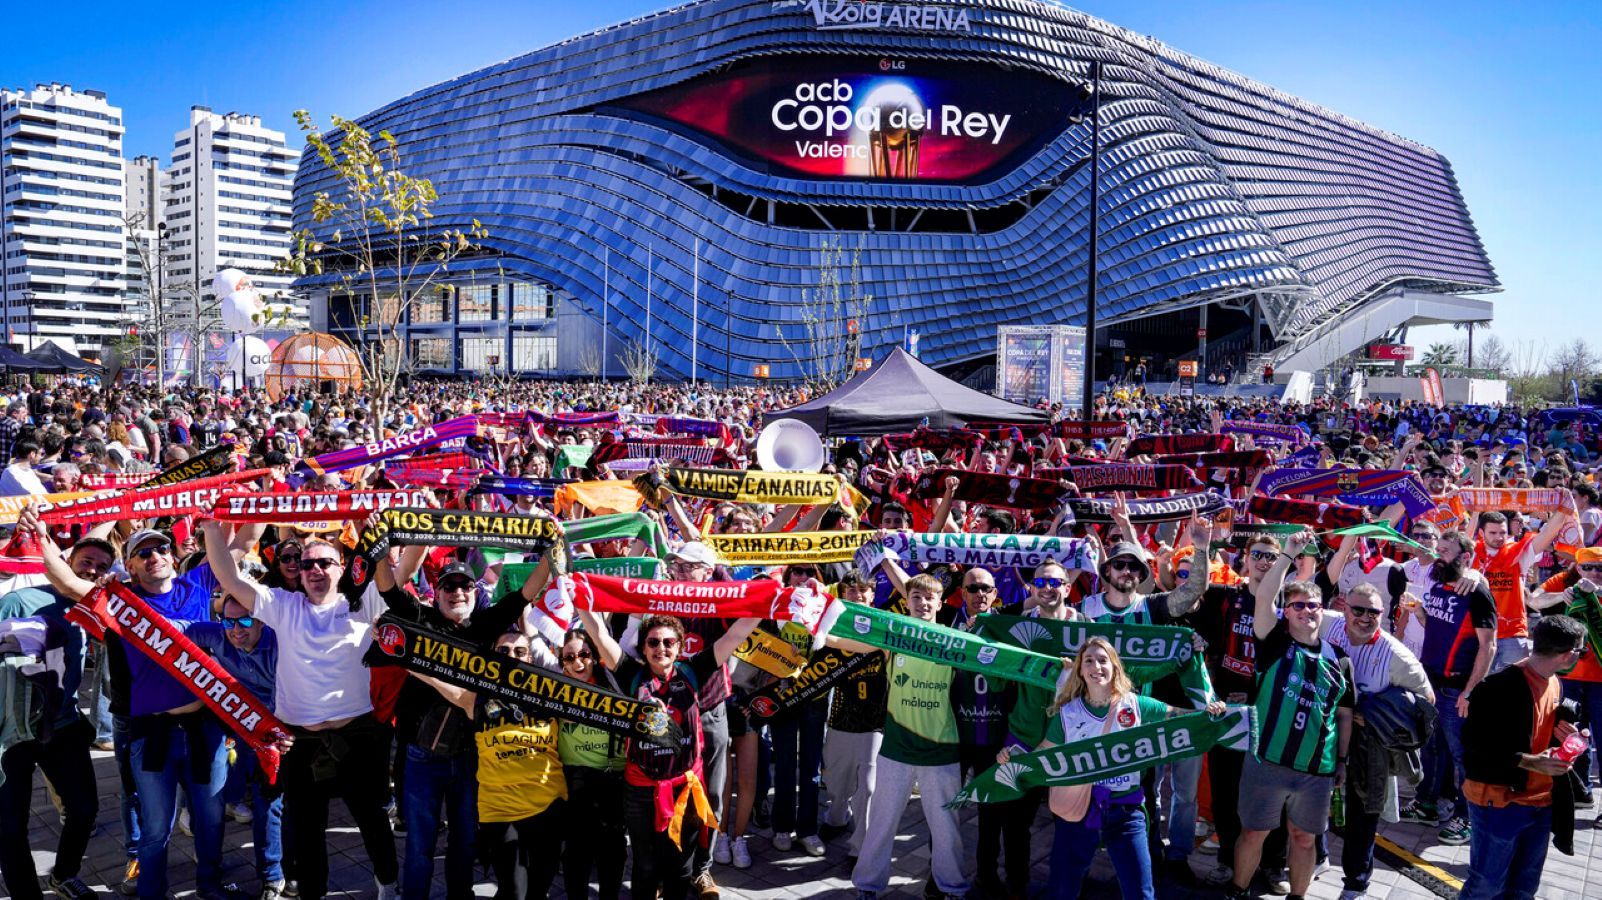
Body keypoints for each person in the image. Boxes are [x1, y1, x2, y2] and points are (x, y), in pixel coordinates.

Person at [33, 519, 231, 900]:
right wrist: (42, 537)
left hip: (205, 729)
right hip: (151, 732)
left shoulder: (200, 585)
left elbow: (239, 545)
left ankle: (210, 885)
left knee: (210, 820)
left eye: (159, 549)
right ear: (131, 567)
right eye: (142, 553)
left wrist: (214, 521)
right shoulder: (121, 603)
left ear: (173, 556)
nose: (153, 556)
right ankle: (153, 893)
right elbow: (69, 583)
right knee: (156, 827)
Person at [201, 522, 401, 900]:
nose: (315, 570)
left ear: (341, 568)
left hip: (357, 736)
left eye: (325, 563)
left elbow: (400, 574)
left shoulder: (361, 602)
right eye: (308, 565)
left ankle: (388, 885)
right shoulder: (283, 604)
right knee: (307, 829)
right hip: (302, 741)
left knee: (373, 819)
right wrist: (213, 527)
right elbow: (227, 575)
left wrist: (374, 530)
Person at [1004, 637, 1224, 900]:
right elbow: (1041, 753)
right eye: (1088, 661)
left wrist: (1210, 713)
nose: (1096, 666)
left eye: (1102, 660)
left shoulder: (1137, 705)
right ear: (1080, 670)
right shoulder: (1068, 713)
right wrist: (1012, 759)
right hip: (1078, 810)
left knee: (1141, 892)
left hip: (1126, 812)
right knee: (1062, 890)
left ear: (1115, 667)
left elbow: (1180, 717)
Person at [576, 608, 761, 900]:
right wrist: (578, 600)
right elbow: (599, 635)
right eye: (652, 642)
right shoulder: (631, 675)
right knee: (646, 866)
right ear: (643, 647)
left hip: (684, 789)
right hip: (640, 790)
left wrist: (768, 602)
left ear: (679, 646)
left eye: (667, 642)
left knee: (681, 867)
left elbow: (735, 634)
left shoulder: (693, 671)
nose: (660, 648)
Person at [1226, 530, 1354, 900]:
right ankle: (1238, 890)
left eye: (1313, 606)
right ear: (1287, 613)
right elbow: (1265, 595)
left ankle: (1298, 897)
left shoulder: (1338, 659)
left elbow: (1343, 715)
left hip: (1316, 770)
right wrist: (1289, 556)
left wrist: (1342, 760)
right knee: (1253, 832)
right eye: (1298, 606)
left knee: (1304, 837)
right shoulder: (1274, 644)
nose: (1307, 612)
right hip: (1267, 760)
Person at [826, 571, 970, 900]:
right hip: (896, 750)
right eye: (916, 597)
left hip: (941, 752)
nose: (922, 603)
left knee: (947, 830)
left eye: (928, 598)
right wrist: (817, 631)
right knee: (880, 826)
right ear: (906, 602)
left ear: (940, 602)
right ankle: (867, 886)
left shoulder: (954, 639)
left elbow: (1001, 662)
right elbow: (851, 643)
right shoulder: (894, 639)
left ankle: (953, 889)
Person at [411, 629, 568, 899]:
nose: (511, 656)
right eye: (503, 651)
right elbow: (431, 675)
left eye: (519, 651)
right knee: (514, 891)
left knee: (540, 888)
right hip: (500, 810)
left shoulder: (551, 696)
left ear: (530, 658)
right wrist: (396, 644)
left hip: (548, 807)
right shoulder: (478, 698)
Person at [0, 535, 116, 900]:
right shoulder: (20, 600)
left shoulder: (95, 606)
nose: (93, 569)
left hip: (63, 724)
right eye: (87, 561)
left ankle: (63, 874)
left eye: (101, 566)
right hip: (12, 732)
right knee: (11, 825)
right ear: (65, 559)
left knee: (84, 809)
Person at [1319, 583, 1434, 900]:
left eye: (1374, 612)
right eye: (1358, 609)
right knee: (1311, 799)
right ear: (1345, 608)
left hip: (1368, 746)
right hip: (1322, 731)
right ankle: (1316, 856)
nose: (1365, 617)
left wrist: (1379, 714)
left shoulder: (1398, 657)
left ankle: (1356, 883)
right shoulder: (1327, 623)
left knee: (1361, 816)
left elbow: (1428, 703)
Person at [1459, 615, 1587, 900]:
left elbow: (1536, 728)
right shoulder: (1497, 688)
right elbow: (1473, 747)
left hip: (1541, 802)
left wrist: (1564, 733)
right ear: (1568, 654)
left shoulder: (1553, 681)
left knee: (1523, 888)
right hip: (1500, 802)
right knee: (1486, 884)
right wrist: (1529, 761)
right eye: (1581, 651)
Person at [1396, 530, 1498, 846]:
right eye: (1438, 548)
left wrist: (1470, 691)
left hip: (1458, 688)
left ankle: (1469, 818)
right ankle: (1427, 804)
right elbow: (1437, 625)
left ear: (1465, 557)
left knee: (1462, 756)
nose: (1439, 555)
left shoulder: (1476, 590)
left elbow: (1489, 646)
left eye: (1446, 550)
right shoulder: (1440, 583)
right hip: (1432, 681)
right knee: (1431, 747)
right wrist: (1418, 612)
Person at [185, 597, 284, 900]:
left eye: (244, 621)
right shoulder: (214, 633)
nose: (236, 629)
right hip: (236, 722)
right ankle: (208, 870)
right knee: (213, 794)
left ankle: (271, 875)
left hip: (277, 727)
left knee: (270, 801)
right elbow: (175, 638)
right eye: (229, 621)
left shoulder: (281, 643)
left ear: (262, 621)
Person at [556, 628, 627, 900]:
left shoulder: (615, 683)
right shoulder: (554, 687)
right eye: (569, 657)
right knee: (576, 852)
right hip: (575, 782)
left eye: (585, 654)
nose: (578, 662)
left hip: (613, 781)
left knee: (611, 852)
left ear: (595, 656)